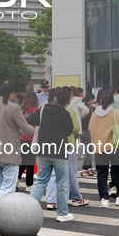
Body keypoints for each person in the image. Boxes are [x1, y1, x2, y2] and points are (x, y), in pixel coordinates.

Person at [0, 81, 35, 231]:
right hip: (9, 154)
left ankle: (4, 219)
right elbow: (26, 129)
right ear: (13, 93)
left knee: (3, 189)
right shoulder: (14, 108)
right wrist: (34, 128)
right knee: (7, 190)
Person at [27, 86, 74, 222]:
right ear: (66, 100)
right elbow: (69, 130)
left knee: (40, 181)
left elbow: (29, 120)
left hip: (43, 150)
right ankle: (62, 214)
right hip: (59, 151)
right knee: (62, 183)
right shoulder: (64, 113)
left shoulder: (43, 109)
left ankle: (29, 211)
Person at [45, 89, 89, 209]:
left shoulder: (45, 108)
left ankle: (51, 200)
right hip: (67, 144)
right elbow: (75, 128)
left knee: (52, 174)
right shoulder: (67, 110)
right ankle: (76, 197)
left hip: (50, 144)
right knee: (70, 172)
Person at [18, 90, 39, 189]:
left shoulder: (21, 110)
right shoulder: (36, 110)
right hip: (32, 138)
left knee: (23, 161)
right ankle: (29, 184)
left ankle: (16, 179)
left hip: (21, 138)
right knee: (30, 162)